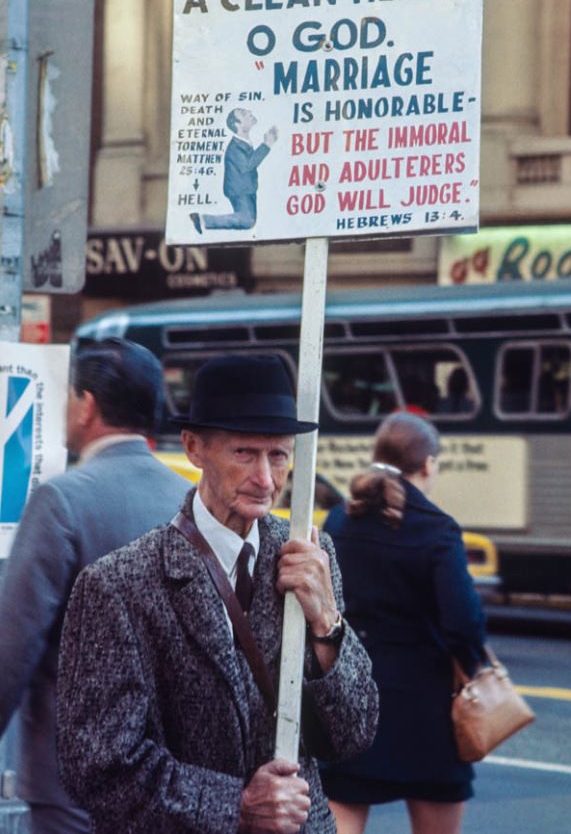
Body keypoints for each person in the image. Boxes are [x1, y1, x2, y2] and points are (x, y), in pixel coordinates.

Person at [56, 354, 379, 834]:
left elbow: (352, 734)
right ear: (193, 448)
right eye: (244, 453)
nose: (266, 480)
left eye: (279, 456)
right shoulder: (118, 585)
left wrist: (327, 624)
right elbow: (99, 766)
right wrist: (238, 806)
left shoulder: (311, 554)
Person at [0, 337, 191, 834]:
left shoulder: (62, 501)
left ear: (87, 406)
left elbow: (13, 645)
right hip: (170, 774)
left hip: (71, 779)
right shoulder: (190, 502)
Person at [320, 411, 486, 834]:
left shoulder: (339, 521)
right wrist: (472, 670)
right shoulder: (438, 531)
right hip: (427, 713)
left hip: (353, 702)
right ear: (428, 464)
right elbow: (463, 623)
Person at [190, 107, 277, 233]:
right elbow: (249, 165)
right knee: (247, 220)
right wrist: (266, 145)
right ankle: (203, 219)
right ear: (237, 124)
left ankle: (203, 220)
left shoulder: (244, 142)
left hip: (247, 188)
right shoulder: (234, 148)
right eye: (243, 113)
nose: (250, 112)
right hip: (239, 190)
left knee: (250, 220)